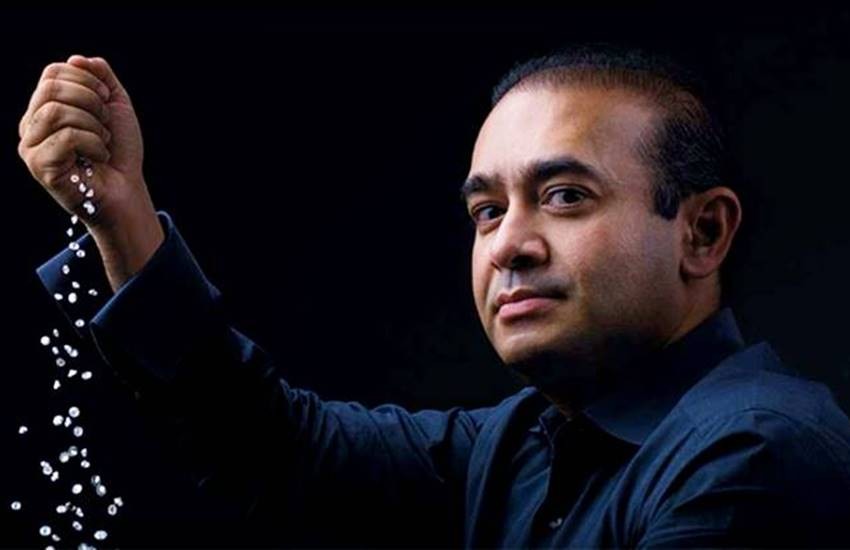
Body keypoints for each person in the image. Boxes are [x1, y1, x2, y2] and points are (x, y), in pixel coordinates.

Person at [17, 46, 850, 547]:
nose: (509, 245)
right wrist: (120, 214)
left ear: (702, 233)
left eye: (565, 197)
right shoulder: (519, 446)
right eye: (487, 210)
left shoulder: (755, 457)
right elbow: (274, 448)